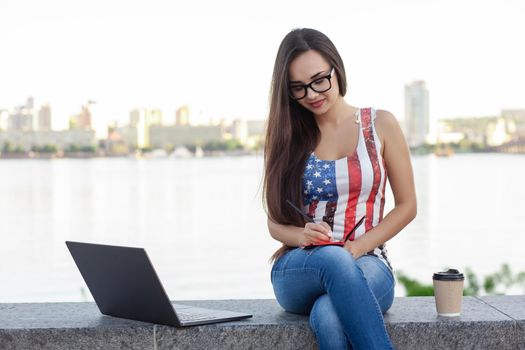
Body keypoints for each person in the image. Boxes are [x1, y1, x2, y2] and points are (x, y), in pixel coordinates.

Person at [263, 28, 417, 349]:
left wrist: (358, 247)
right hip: (300, 267)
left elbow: (407, 206)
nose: (312, 94)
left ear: (337, 69)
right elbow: (275, 223)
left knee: (329, 314)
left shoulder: (381, 125)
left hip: (369, 262)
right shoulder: (287, 137)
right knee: (332, 259)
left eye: (320, 80)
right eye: (298, 88)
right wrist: (303, 236)